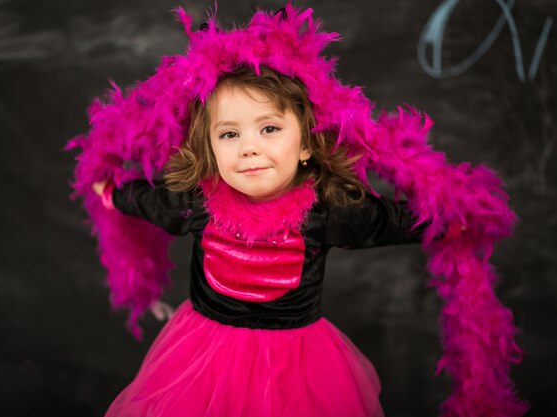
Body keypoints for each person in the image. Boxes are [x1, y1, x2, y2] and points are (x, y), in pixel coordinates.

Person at [68, 4, 526, 417]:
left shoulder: (328, 211)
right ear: (208, 148)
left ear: (306, 144)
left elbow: (388, 221)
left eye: (269, 128)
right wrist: (114, 193)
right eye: (229, 135)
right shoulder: (196, 202)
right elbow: (149, 202)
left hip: (298, 365)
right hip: (202, 356)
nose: (249, 148)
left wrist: (448, 222)